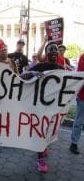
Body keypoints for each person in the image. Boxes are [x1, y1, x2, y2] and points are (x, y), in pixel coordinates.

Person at [22, 42, 64, 173]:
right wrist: (34, 73)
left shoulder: (61, 68)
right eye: (51, 49)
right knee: (40, 131)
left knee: (48, 130)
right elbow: (23, 76)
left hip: (53, 105)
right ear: (46, 53)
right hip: (39, 105)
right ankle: (41, 159)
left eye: (55, 50)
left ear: (58, 53)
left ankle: (44, 146)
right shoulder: (40, 66)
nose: (53, 52)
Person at [70, 53, 84, 154]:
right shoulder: (83, 57)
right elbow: (81, 74)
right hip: (83, 96)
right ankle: (74, 143)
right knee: (79, 121)